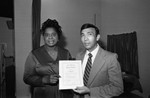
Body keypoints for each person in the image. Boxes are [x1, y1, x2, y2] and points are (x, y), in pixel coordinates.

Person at [23, 19, 73, 98]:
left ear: (58, 37)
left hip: (63, 94)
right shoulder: (34, 54)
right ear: (43, 37)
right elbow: (27, 78)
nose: (50, 37)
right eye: (47, 35)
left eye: (53, 34)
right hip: (42, 94)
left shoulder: (66, 53)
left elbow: (71, 74)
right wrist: (44, 80)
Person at [73, 23, 123, 98]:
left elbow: (118, 88)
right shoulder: (78, 56)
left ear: (97, 37)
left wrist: (90, 91)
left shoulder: (110, 58)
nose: (85, 38)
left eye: (89, 34)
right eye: (82, 35)